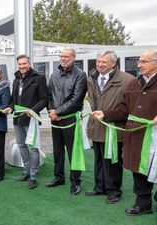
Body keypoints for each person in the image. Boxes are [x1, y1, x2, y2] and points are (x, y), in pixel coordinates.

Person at [93, 50, 157, 216]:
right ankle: (143, 203)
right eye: (139, 61)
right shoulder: (134, 83)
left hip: (154, 136)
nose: (139, 65)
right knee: (139, 170)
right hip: (137, 135)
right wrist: (105, 114)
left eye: (144, 61)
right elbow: (123, 109)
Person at [85, 51, 135, 203]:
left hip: (113, 127)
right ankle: (100, 186)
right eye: (98, 61)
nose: (99, 65)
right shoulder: (92, 78)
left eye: (104, 62)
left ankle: (114, 190)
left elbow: (128, 107)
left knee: (112, 160)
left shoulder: (128, 80)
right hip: (96, 126)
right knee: (99, 158)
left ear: (113, 64)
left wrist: (107, 114)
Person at [46, 48, 87, 195]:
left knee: (72, 151)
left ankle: (75, 181)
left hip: (70, 118)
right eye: (61, 56)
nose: (63, 59)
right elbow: (49, 95)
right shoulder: (54, 74)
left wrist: (58, 111)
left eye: (66, 56)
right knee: (57, 150)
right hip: (55, 118)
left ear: (74, 58)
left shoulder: (81, 75)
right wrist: (52, 111)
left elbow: (77, 99)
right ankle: (59, 177)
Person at [3, 55, 48, 189]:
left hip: (31, 118)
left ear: (30, 64)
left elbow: (44, 99)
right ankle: (26, 171)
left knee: (33, 147)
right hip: (18, 118)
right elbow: (13, 99)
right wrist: (10, 107)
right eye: (20, 64)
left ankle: (33, 176)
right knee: (22, 145)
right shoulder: (16, 79)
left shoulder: (39, 78)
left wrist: (33, 110)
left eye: (24, 64)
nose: (22, 66)